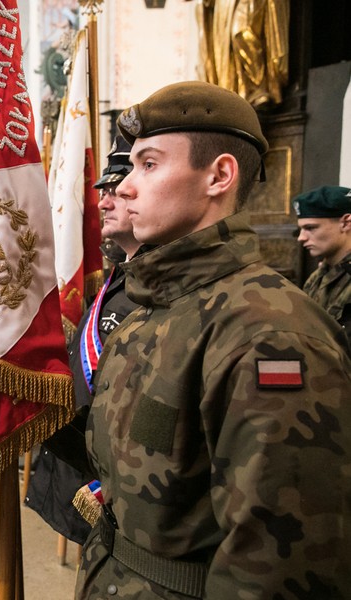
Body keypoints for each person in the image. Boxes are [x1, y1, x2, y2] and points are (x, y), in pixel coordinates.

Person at [77, 81, 351, 598]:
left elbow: (277, 568)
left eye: (150, 165)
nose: (126, 187)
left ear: (218, 176)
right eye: (130, 166)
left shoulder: (268, 335)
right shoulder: (153, 310)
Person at [26, 136, 143, 546]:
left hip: (118, 496)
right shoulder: (118, 279)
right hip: (78, 472)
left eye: (117, 190)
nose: (104, 202)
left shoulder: (154, 292)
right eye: (105, 191)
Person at [294, 185, 351, 333]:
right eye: (301, 229)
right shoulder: (317, 278)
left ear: (345, 223)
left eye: (311, 228)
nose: (301, 238)